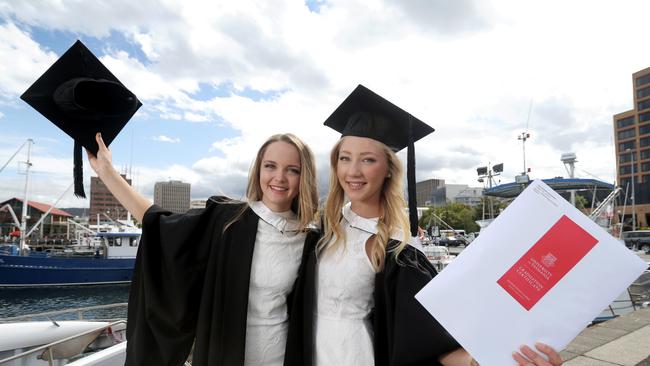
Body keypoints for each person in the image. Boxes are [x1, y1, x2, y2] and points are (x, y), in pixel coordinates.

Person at [285, 85, 563, 366]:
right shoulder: (325, 229)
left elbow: (427, 341)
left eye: (368, 159)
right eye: (345, 158)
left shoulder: (399, 251)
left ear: (389, 168)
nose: (352, 171)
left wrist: (492, 359)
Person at [87, 132, 320, 366]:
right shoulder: (228, 221)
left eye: (293, 170)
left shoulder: (309, 238)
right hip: (223, 356)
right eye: (270, 166)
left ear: (304, 176)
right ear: (259, 170)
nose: (279, 177)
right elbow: (157, 222)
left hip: (280, 357)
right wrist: (107, 172)